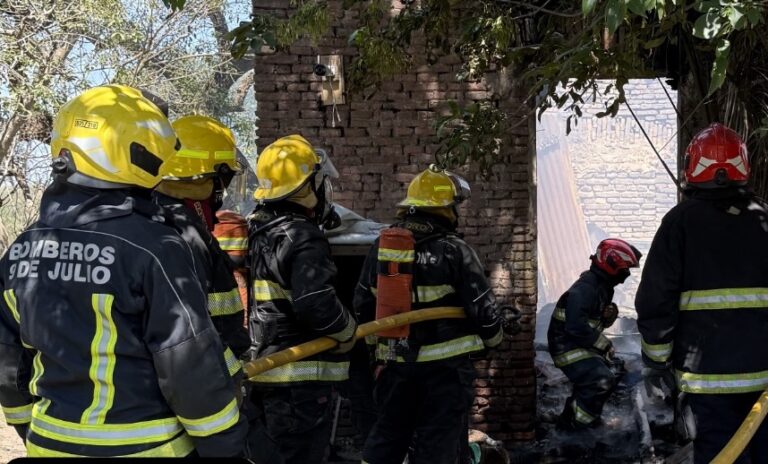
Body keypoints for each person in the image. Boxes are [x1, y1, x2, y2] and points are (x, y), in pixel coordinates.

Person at [0, 85, 247, 457]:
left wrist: (27, 427)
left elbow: (7, 360)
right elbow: (187, 364)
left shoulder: (21, 249)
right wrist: (226, 445)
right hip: (147, 448)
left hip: (49, 445)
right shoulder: (154, 248)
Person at [354, 164, 505, 464]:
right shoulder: (455, 251)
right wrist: (493, 340)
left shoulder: (382, 248)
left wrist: (376, 355)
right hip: (444, 375)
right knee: (439, 445)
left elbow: (362, 304)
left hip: (396, 368)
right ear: (446, 208)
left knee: (388, 437)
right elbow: (484, 311)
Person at [636, 123, 768, 463]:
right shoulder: (764, 220)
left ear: (691, 165)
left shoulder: (678, 223)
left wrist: (656, 362)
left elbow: (656, 301)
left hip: (706, 385)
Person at [247, 134, 357, 464]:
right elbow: (316, 304)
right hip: (300, 381)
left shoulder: (261, 231)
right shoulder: (303, 235)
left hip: (269, 373)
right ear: (308, 186)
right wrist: (347, 330)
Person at [153, 115, 249, 373]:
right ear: (210, 177)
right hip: (205, 376)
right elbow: (199, 326)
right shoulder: (186, 233)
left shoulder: (150, 216)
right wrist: (230, 373)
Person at [547, 238, 641, 430]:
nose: (626, 274)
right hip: (566, 347)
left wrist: (607, 317)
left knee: (606, 375)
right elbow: (575, 327)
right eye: (624, 269)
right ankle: (578, 428)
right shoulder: (586, 288)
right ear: (612, 264)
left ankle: (570, 419)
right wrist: (603, 344)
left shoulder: (602, 286)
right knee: (600, 380)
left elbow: (591, 321)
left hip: (578, 344)